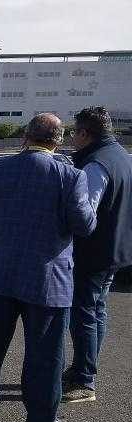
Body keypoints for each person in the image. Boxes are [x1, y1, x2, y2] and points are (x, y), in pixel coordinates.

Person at [0, 113, 97, 422]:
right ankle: (41, 414)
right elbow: (84, 225)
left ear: (26, 136)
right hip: (48, 278)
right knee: (45, 352)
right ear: (58, 141)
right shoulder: (70, 176)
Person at [63, 107, 132, 403]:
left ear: (84, 133)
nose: (72, 138)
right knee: (97, 310)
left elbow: (84, 215)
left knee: (84, 314)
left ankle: (84, 379)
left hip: (93, 252)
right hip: (114, 249)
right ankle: (84, 366)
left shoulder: (96, 164)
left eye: (74, 132)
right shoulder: (121, 156)